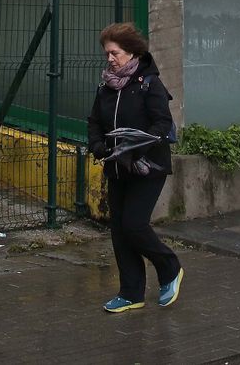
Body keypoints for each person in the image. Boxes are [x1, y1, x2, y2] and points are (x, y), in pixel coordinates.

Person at [86, 22, 183, 314]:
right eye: (107, 54)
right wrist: (98, 146)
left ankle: (170, 267)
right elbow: (94, 122)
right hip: (117, 168)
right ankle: (131, 293)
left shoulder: (149, 84)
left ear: (130, 52)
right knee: (118, 229)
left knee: (134, 225)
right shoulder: (106, 86)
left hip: (147, 167)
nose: (110, 59)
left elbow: (162, 125)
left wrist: (136, 145)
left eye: (114, 53)